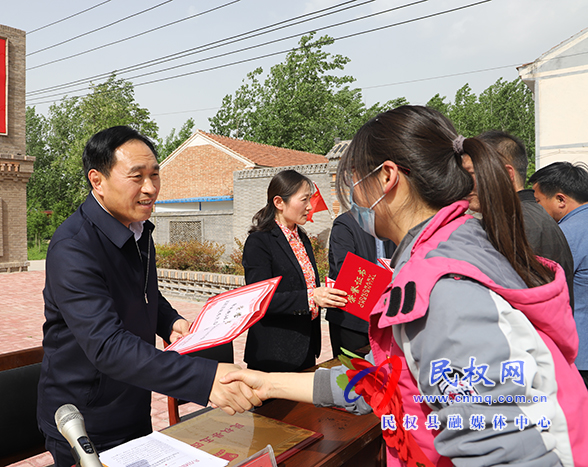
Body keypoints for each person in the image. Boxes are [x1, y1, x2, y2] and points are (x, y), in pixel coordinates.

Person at [224, 106, 588, 465]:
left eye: (354, 184)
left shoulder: (446, 290)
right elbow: (384, 381)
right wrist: (267, 383)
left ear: (387, 177)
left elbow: (508, 452)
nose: (354, 200)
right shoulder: (450, 250)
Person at [37, 126, 259, 467]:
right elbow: (107, 345)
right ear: (97, 180)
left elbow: (143, 293)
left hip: (132, 401)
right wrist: (204, 380)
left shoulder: (137, 230)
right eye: (136, 177)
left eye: (155, 175)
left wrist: (170, 321)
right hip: (84, 417)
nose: (150, 188)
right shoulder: (74, 247)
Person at [241, 170, 348, 372]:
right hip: (274, 353)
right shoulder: (259, 242)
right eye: (304, 199)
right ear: (279, 202)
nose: (310, 207)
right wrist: (312, 297)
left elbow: (305, 284)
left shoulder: (302, 237)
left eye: (311, 199)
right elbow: (260, 299)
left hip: (306, 346)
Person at [467, 131, 574, 309]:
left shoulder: (516, 221)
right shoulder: (529, 214)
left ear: (507, 173)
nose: (465, 183)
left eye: (473, 173)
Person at [529, 161, 588, 387]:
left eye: (537, 202)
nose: (536, 209)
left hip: (579, 355)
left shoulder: (563, 235)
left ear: (561, 200)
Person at [326, 211, 395, 357]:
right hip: (351, 319)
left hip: (382, 316)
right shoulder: (345, 223)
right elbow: (346, 269)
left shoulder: (388, 224)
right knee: (352, 374)